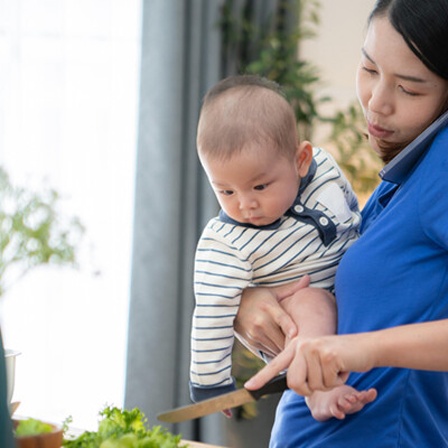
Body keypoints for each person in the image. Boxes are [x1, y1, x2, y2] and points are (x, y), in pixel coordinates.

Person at [235, 0, 448, 446]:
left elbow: (360, 341)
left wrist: (363, 348)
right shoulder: (403, 180)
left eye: (409, 89)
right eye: (370, 68)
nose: (376, 101)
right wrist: (261, 307)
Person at [189, 75, 376, 419]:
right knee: (310, 301)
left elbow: (353, 210)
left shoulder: (323, 171)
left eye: (259, 186)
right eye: (226, 191)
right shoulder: (224, 243)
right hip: (295, 315)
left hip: (355, 301)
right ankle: (320, 392)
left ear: (301, 160)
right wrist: (210, 384)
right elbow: (211, 311)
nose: (245, 204)